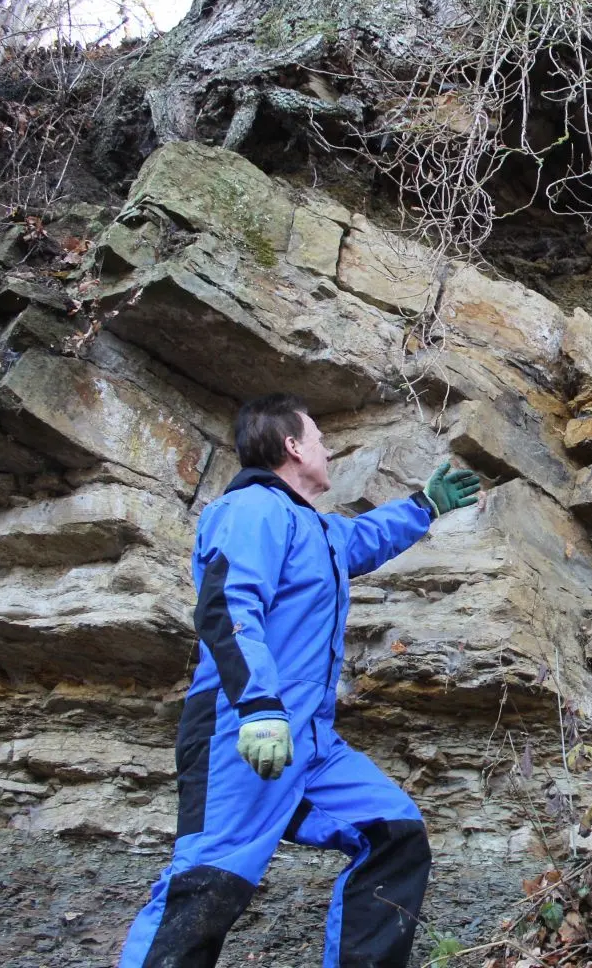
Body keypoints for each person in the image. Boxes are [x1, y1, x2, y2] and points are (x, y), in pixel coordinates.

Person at [119, 392, 481, 968]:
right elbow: (226, 607)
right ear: (291, 446)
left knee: (395, 833)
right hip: (240, 733)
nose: (328, 449)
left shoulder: (317, 529)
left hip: (309, 746)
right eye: (317, 437)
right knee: (208, 885)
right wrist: (260, 706)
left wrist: (424, 506)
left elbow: (363, 539)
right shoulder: (251, 511)